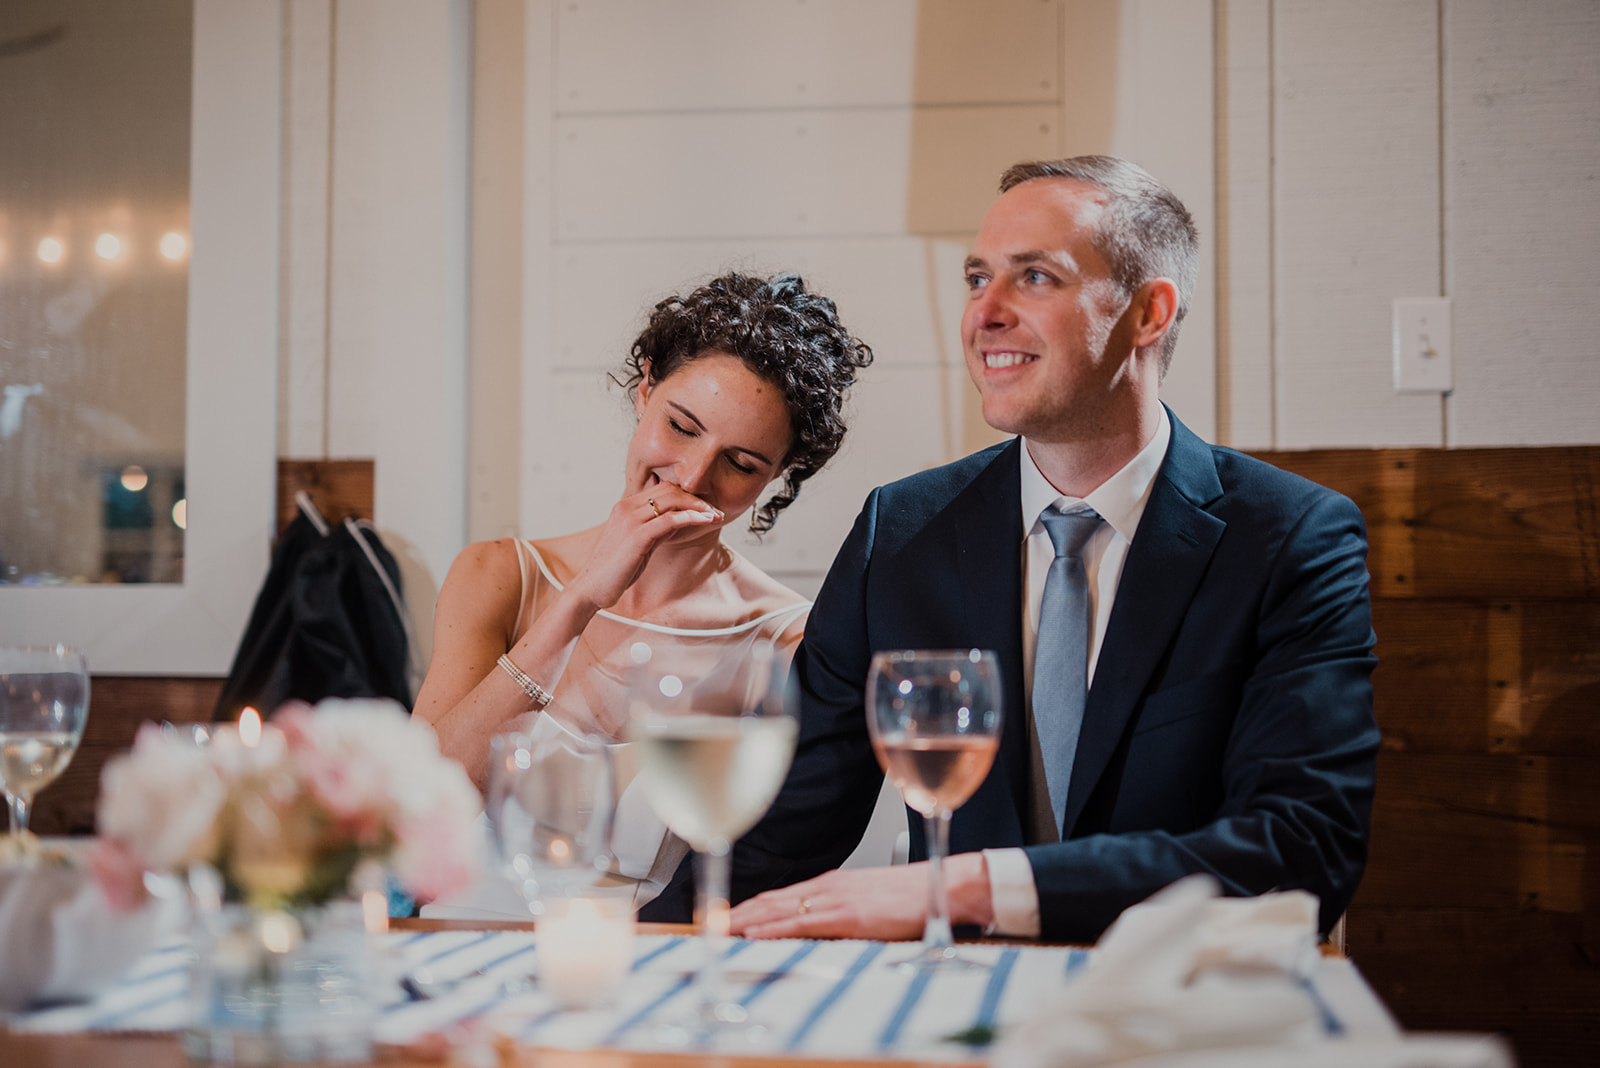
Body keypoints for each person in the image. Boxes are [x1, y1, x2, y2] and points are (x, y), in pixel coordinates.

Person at [727, 156, 1381, 944]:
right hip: (958, 1020)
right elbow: (787, 832)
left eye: (1034, 278)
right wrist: (626, 948)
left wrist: (974, 887)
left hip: (1188, 1013)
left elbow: (1301, 847)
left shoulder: (1291, 539)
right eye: (977, 278)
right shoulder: (897, 533)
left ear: (1148, 313)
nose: (985, 313)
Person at [414, 271, 872, 914]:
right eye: (682, 427)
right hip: (461, 951)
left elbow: (766, 865)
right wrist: (577, 604)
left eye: (740, 464)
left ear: (779, 475)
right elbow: (415, 810)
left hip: (654, 963)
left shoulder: (786, 641)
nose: (691, 476)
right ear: (645, 387)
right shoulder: (499, 576)